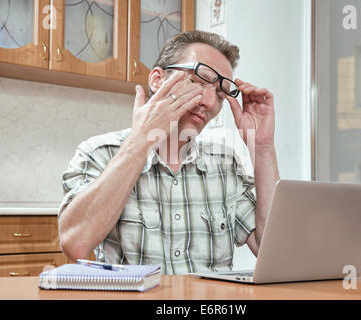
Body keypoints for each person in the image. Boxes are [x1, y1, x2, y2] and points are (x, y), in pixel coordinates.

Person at [58, 30, 280, 274]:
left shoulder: (225, 165)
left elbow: (272, 251)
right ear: (157, 80)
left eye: (219, 94)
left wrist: (263, 147)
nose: (209, 102)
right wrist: (141, 140)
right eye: (197, 81)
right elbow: (75, 244)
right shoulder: (99, 153)